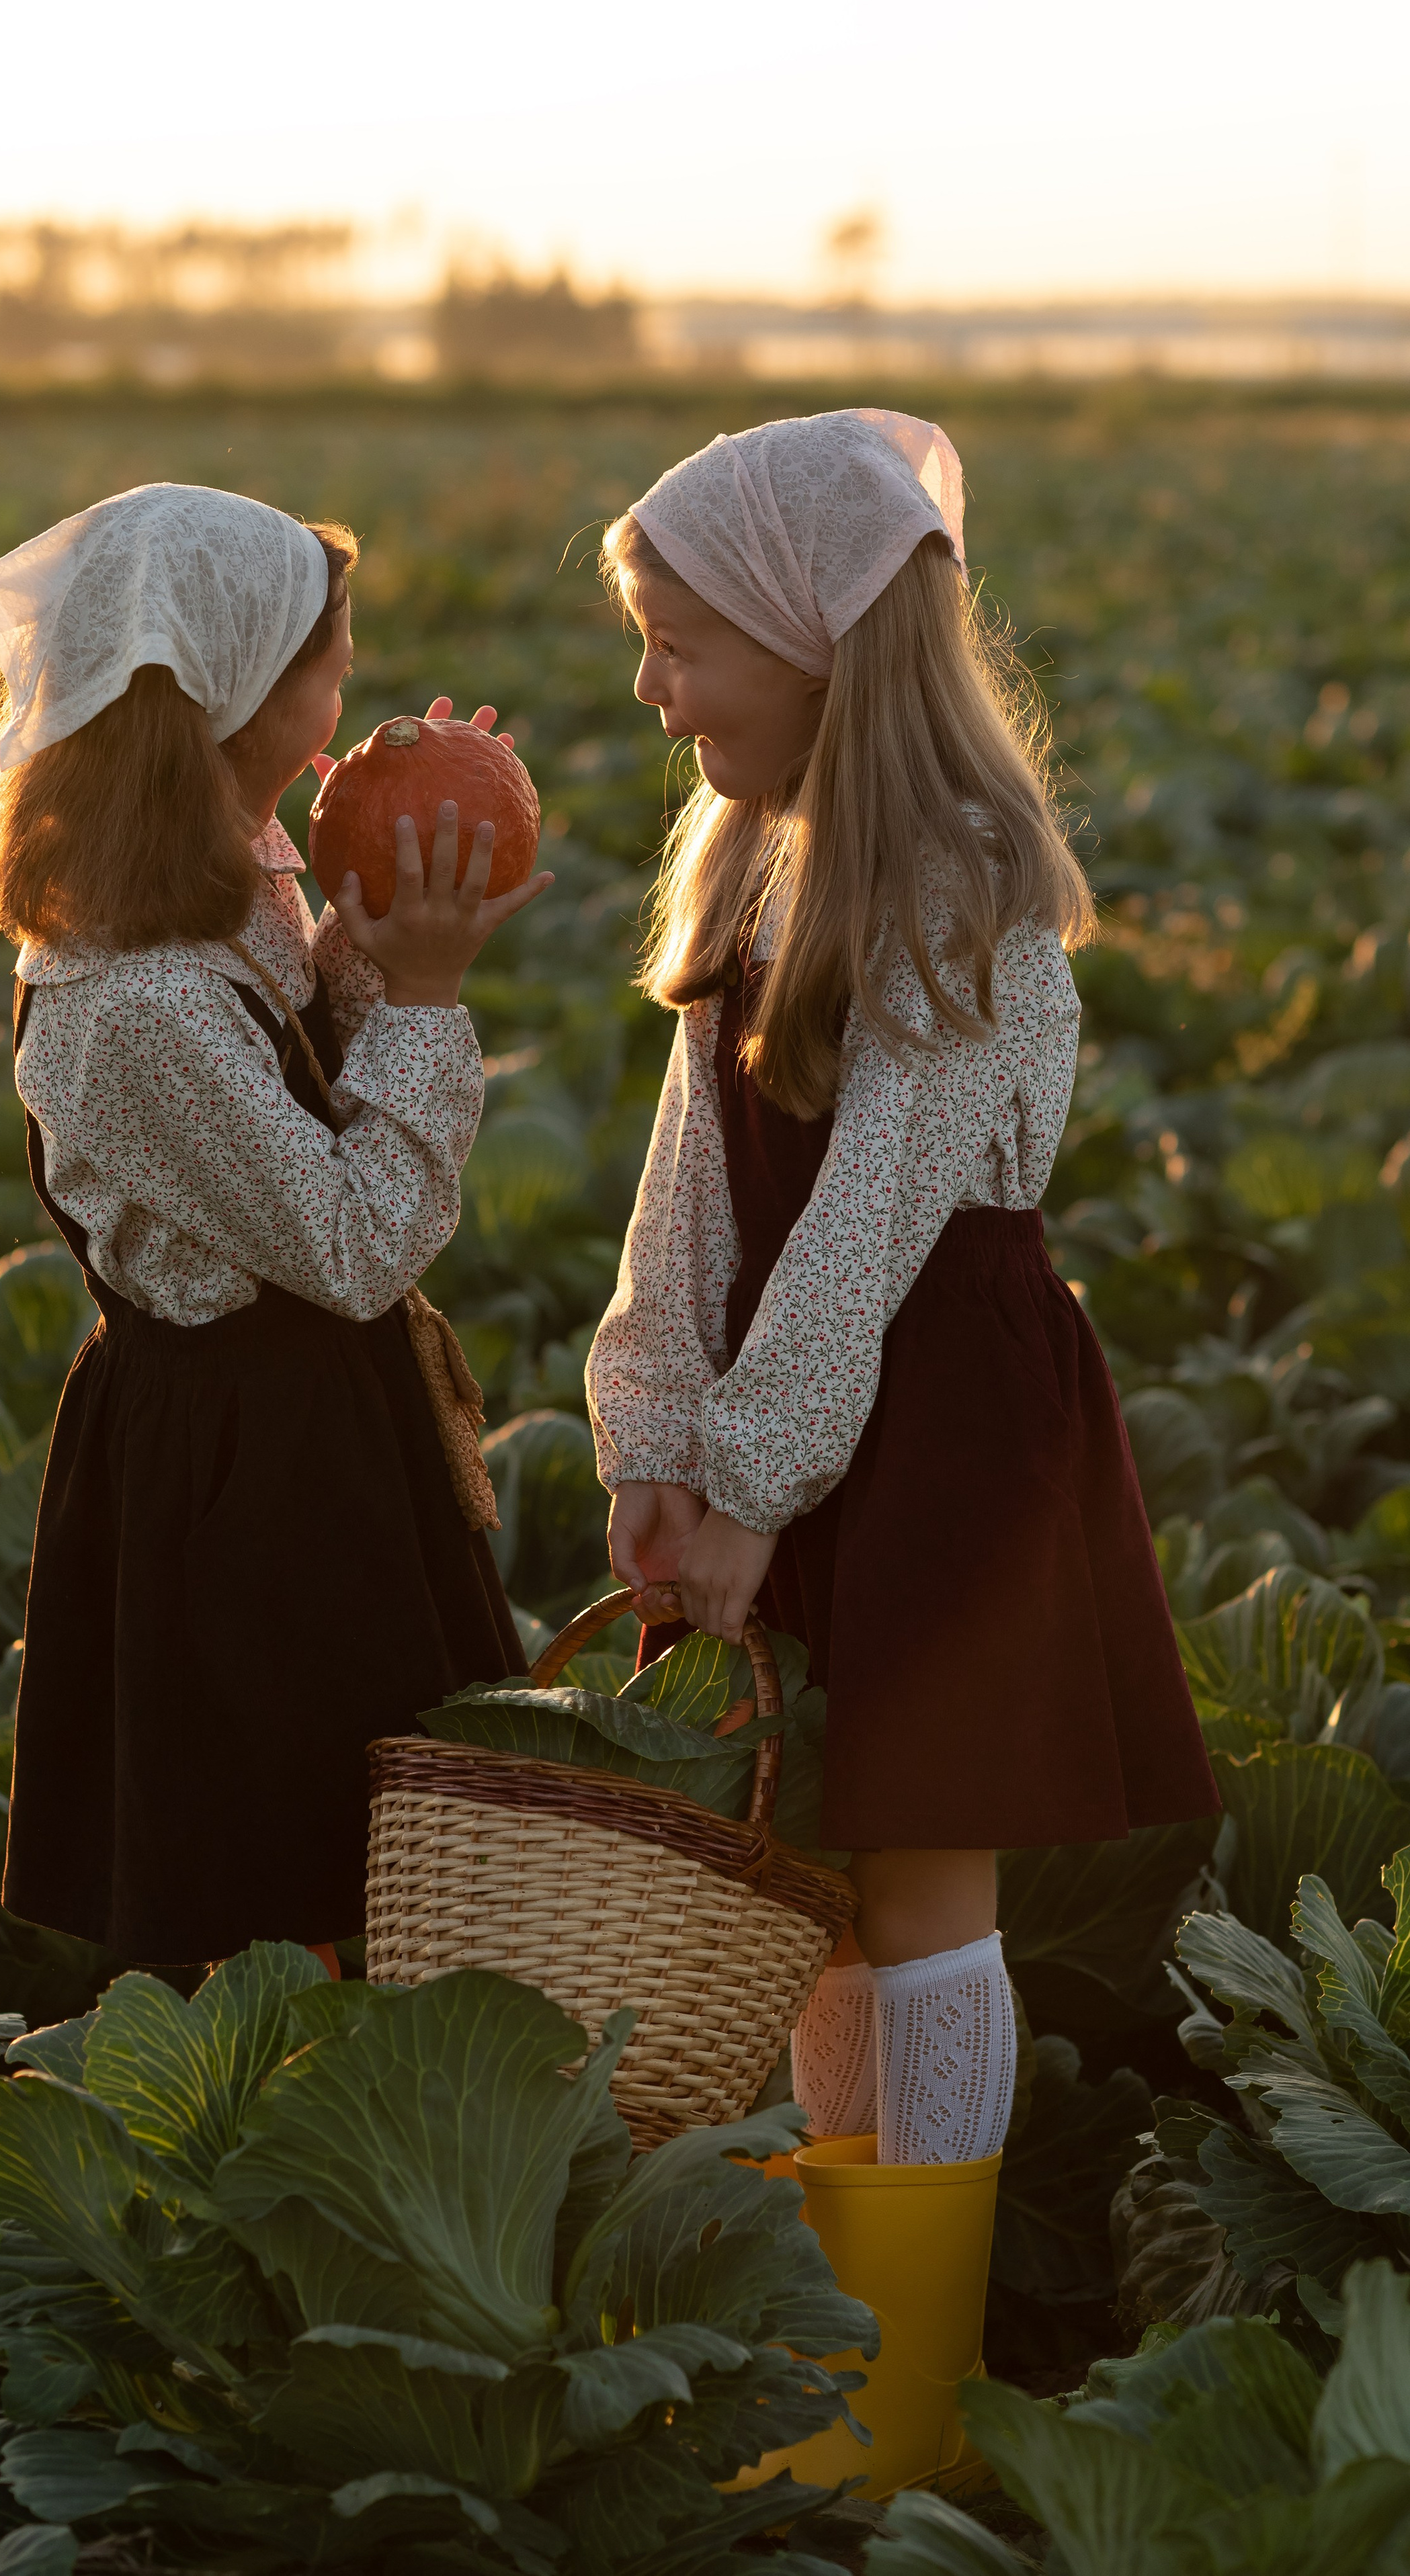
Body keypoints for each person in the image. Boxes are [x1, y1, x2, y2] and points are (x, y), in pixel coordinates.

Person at [585, 413, 1218, 2173]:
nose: (653, 685)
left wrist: (755, 1483)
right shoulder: (753, 855)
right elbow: (689, 1185)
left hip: (940, 1425)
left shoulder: (957, 880)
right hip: (796, 1414)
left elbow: (869, 1217)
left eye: (682, 642)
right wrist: (653, 1435)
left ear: (817, 648)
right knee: (811, 1882)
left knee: (925, 1876)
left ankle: (926, 2316)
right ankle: (838, 2284)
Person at [0, 480, 550, 1971]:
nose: (353, 698)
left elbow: (284, 1089)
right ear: (230, 695)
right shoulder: (125, 999)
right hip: (243, 1495)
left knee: (382, 1882)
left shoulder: (225, 885)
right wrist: (430, 996)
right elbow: (345, 1239)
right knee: (286, 1896)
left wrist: (369, 931)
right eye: (328, 662)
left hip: (321, 1439)